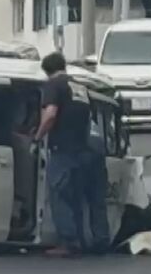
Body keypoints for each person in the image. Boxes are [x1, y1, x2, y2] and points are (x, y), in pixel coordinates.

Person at [33, 52, 93, 256]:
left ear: (47, 71)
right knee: (75, 196)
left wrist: (37, 136)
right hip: (82, 149)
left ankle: (68, 241)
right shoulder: (80, 87)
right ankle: (79, 239)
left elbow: (50, 114)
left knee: (59, 194)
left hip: (62, 149)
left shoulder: (53, 85)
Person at [80, 113, 112, 254]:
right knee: (98, 203)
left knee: (75, 202)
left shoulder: (75, 125)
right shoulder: (95, 127)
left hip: (82, 160)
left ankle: (77, 240)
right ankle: (101, 239)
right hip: (98, 164)